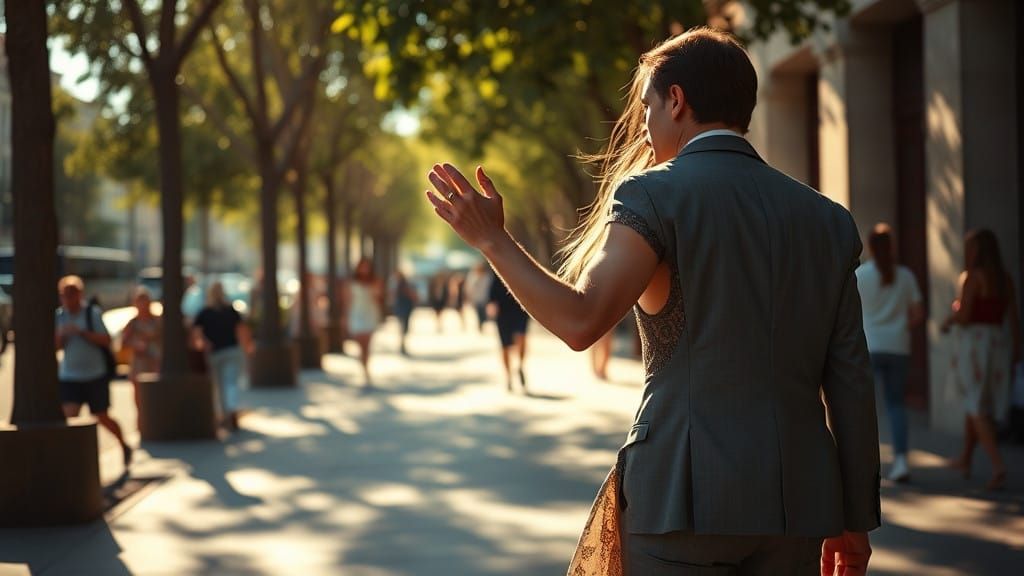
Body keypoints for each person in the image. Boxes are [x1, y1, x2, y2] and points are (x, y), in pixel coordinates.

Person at [425, 27, 879, 575]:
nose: (643, 124)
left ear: (677, 100)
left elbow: (580, 321)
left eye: (646, 106)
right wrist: (854, 519)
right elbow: (851, 380)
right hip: (799, 507)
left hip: (679, 498)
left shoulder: (652, 194)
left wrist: (493, 240)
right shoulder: (827, 220)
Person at [941, 229, 1021, 491]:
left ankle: (998, 465)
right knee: (976, 400)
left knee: (976, 406)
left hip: (975, 345)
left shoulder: (972, 278)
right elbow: (1013, 319)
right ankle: (966, 458)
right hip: (998, 343)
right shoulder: (1005, 279)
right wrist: (1016, 349)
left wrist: (951, 315)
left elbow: (964, 317)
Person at [855, 223, 925, 483]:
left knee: (863, 407)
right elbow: (918, 314)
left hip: (870, 346)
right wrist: (900, 326)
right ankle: (901, 461)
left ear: (870, 247)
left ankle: (863, 464)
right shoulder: (905, 276)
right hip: (898, 347)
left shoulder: (861, 275)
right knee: (896, 405)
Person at [55, 275, 132, 467]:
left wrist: (81, 333)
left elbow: (106, 340)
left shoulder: (91, 313)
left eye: (71, 294)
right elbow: (55, 346)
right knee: (69, 417)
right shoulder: (60, 316)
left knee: (102, 416)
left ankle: (123, 445)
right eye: (64, 295)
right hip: (70, 375)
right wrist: (63, 335)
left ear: (79, 294)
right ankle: (71, 460)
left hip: (94, 374)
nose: (68, 299)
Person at [192, 281, 251, 431]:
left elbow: (196, 335)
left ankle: (224, 414)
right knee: (231, 383)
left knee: (219, 386)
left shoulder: (205, 312)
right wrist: (246, 348)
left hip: (215, 353)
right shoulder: (230, 310)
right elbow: (242, 330)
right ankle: (231, 411)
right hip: (231, 350)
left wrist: (204, 344)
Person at [121, 287, 163, 431]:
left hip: (155, 361)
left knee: (154, 396)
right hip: (139, 362)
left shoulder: (157, 320)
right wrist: (136, 344)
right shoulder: (132, 323)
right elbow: (123, 343)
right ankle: (141, 427)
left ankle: (154, 424)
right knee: (139, 398)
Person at [488, 271, 530, 393]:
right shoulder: (498, 267)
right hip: (503, 311)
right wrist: (491, 304)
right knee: (505, 346)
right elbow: (492, 290)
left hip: (520, 309)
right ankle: (508, 375)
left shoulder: (523, 265)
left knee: (521, 337)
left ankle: (520, 366)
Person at [343, 258, 383, 387]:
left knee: (367, 345)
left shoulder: (375, 281)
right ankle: (363, 367)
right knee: (360, 345)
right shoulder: (352, 282)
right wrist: (345, 317)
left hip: (370, 314)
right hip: (357, 315)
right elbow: (348, 300)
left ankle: (366, 369)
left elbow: (379, 299)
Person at [391, 268, 418, 356]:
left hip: (404, 308)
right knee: (403, 328)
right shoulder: (399, 284)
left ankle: (402, 346)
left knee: (403, 328)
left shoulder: (403, 284)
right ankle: (402, 346)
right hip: (402, 308)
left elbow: (412, 295)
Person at [464, 261, 493, 332]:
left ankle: (482, 323)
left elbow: (489, 287)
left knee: (483, 312)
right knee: (479, 312)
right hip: (476, 298)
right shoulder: (473, 275)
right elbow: (469, 286)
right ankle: (481, 324)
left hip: (484, 297)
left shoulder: (487, 276)